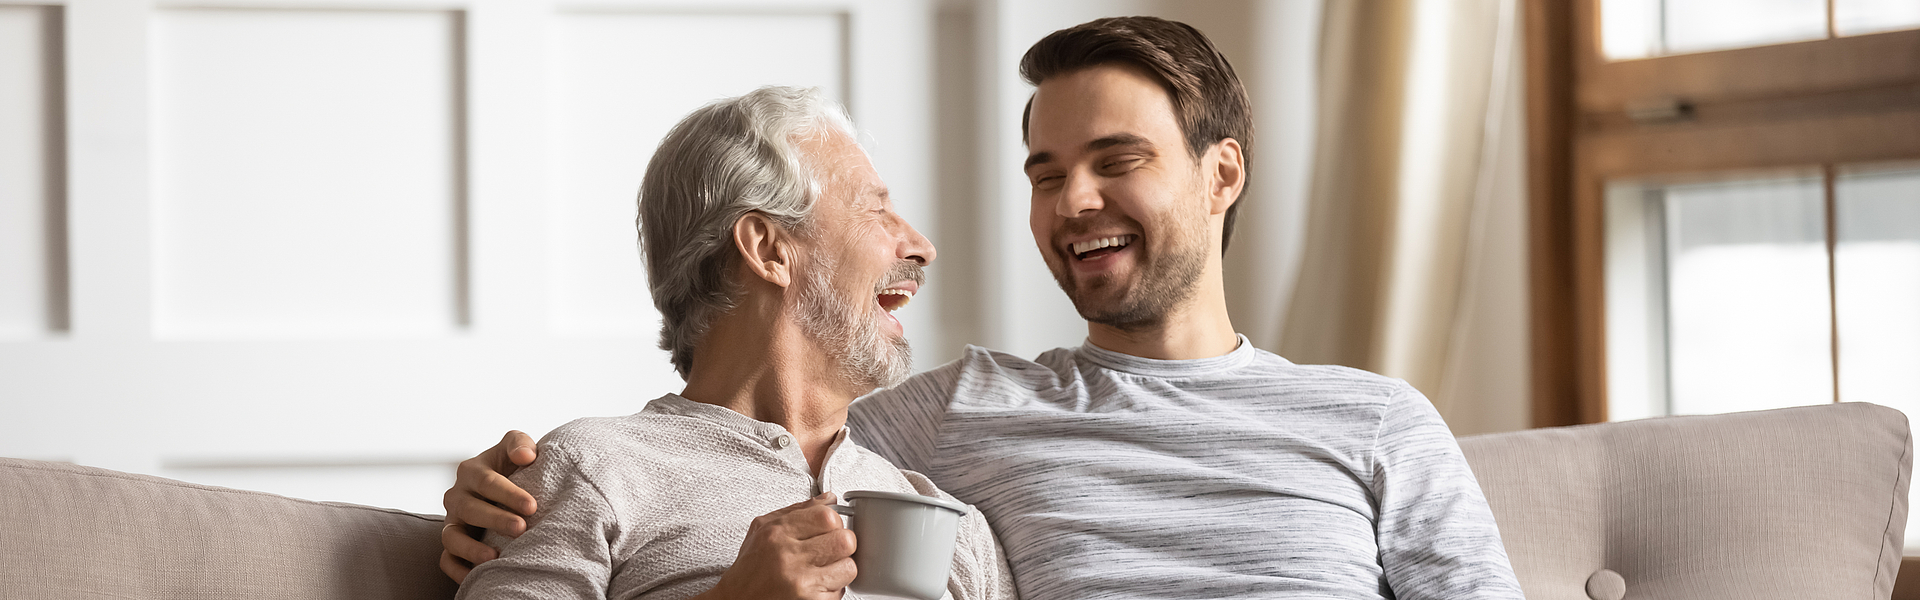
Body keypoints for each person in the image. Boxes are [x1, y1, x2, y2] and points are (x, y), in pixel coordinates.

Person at [444, 17, 1523, 600]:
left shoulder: (1376, 421)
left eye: (1117, 161)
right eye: (1046, 172)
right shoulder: (959, 415)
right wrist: (504, 493)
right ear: (768, 244)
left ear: (1222, 174)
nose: (1073, 201)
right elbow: (746, 425)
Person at [450, 86, 1014, 600]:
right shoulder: (592, 470)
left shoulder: (949, 523)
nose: (921, 246)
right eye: (876, 209)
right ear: (768, 249)